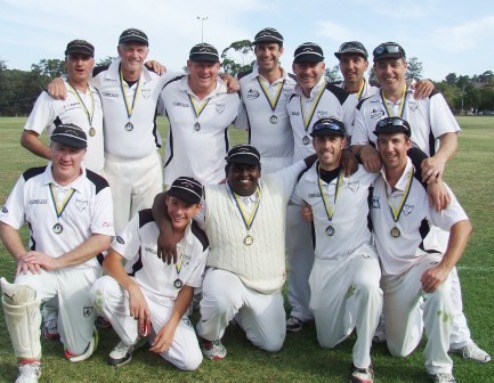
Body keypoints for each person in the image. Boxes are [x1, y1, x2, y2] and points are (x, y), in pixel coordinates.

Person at [352, 41, 490, 363]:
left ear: (405, 66)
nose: (388, 71)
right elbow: (358, 144)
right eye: (382, 65)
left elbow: (450, 137)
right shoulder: (367, 104)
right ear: (375, 69)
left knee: (444, 270)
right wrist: (365, 150)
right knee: (391, 258)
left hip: (427, 186)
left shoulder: (426, 95)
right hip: (388, 186)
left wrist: (438, 163)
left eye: (394, 64)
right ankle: (395, 319)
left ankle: (458, 338)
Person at [153, 145, 318, 360]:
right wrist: (165, 230)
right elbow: (162, 198)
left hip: (265, 284)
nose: (245, 174)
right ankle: (209, 336)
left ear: (260, 170)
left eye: (250, 168)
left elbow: (308, 161)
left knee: (272, 344)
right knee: (221, 299)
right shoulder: (210, 194)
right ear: (227, 171)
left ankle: (239, 315)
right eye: (237, 168)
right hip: (225, 274)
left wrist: (353, 152)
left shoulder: (277, 184)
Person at [0, 123, 114, 383]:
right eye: (60, 148)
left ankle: (63, 315)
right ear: (50, 149)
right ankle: (29, 365)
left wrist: (58, 261)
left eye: (73, 151)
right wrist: (20, 256)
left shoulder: (98, 185)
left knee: (76, 350)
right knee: (19, 295)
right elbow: (6, 223)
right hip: (39, 267)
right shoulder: (30, 179)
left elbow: (102, 239)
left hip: (82, 270)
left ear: (84, 153)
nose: (66, 157)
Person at [371, 116, 472, 383]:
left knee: (440, 288)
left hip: (421, 263)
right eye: (383, 142)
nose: (389, 148)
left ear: (408, 144)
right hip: (390, 277)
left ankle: (440, 368)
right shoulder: (371, 179)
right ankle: (410, 315)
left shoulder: (427, 182)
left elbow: (462, 225)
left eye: (395, 141)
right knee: (398, 349)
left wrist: (444, 267)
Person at [292, 117, 381, 383]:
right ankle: (353, 310)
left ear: (343, 143)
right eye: (321, 140)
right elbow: (296, 204)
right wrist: (305, 210)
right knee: (327, 341)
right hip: (326, 262)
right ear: (314, 143)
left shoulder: (364, 171)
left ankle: (363, 362)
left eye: (333, 139)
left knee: (367, 285)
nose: (326, 145)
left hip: (358, 253)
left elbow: (398, 162)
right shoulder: (306, 181)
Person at [89, 176, 208, 371]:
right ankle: (132, 338)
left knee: (191, 361)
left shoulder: (200, 242)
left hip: (168, 304)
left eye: (186, 206)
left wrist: (170, 327)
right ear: (167, 200)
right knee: (100, 290)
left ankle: (151, 331)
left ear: (197, 209)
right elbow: (110, 261)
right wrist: (132, 288)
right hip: (136, 293)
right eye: (175, 203)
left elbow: (188, 289)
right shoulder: (144, 219)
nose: (178, 211)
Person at [285, 42, 352, 332]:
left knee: (333, 246)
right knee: (299, 249)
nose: (308, 71)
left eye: (314, 65)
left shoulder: (341, 97)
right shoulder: (290, 98)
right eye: (302, 65)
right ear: (294, 69)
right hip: (303, 182)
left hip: (333, 183)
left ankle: (337, 306)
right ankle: (300, 309)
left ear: (323, 68)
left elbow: (350, 143)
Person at [159, 43, 240, 188]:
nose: (205, 71)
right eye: (199, 65)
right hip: (176, 179)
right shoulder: (169, 87)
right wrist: (149, 64)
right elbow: (144, 73)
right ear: (189, 65)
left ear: (218, 67)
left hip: (217, 180)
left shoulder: (232, 95)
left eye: (210, 65)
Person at [21, 39, 104, 175]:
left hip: (98, 175)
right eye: (74, 58)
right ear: (66, 62)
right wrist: (55, 156)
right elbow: (27, 138)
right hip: (67, 176)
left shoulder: (97, 91)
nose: (79, 63)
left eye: (84, 58)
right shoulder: (52, 95)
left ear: (92, 63)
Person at [235, 27, 296, 173]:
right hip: (256, 161)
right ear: (255, 51)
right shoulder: (242, 80)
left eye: (271, 48)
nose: (266, 53)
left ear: (280, 51)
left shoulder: (295, 83)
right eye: (261, 48)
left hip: (290, 161)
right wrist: (226, 77)